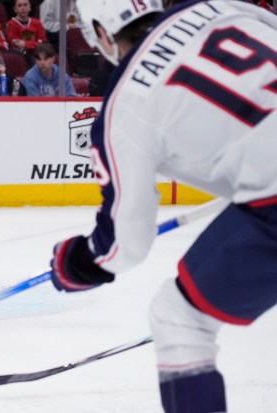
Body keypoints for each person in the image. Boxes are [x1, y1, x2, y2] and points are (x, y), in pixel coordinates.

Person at [52, 1, 277, 412]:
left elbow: (126, 242)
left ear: (101, 32)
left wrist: (79, 261)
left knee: (179, 319)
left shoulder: (125, 103)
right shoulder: (217, 5)